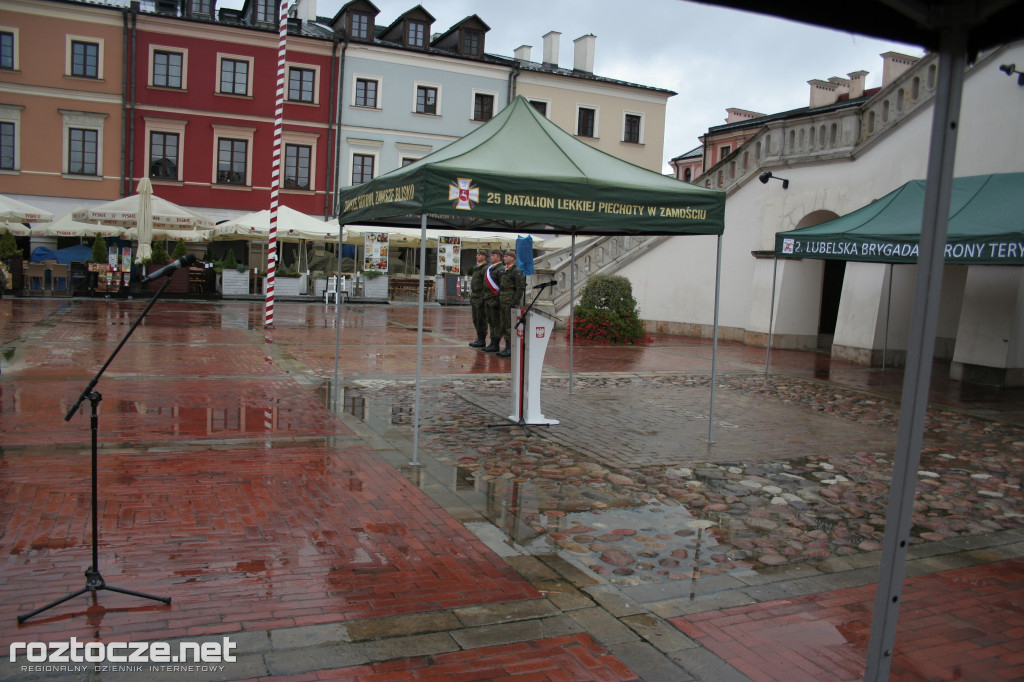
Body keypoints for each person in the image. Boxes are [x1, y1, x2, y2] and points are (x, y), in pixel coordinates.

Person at [497, 249, 526, 357]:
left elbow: (520, 288)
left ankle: (511, 348)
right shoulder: (505, 270)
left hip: (510, 301)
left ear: (513, 259)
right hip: (503, 300)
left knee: (510, 325)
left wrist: (515, 302)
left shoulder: (516, 271)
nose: (504, 258)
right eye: (504, 257)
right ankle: (507, 346)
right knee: (504, 324)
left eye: (506, 257)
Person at [482, 250, 504, 352]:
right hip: (488, 299)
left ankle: (496, 343)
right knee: (490, 321)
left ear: (499, 258)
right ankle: (492, 342)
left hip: (494, 299)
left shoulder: (500, 269)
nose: (491, 257)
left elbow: (501, 287)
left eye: (493, 255)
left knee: (496, 322)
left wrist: (497, 300)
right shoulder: (490, 269)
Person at [468, 249, 488, 348]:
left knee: (481, 319)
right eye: (477, 255)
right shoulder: (477, 267)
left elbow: (485, 284)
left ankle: (482, 339)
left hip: (480, 296)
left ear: (484, 257)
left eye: (479, 255)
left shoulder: (485, 268)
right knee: (475, 319)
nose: (477, 256)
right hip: (475, 295)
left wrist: (482, 298)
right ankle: (479, 338)